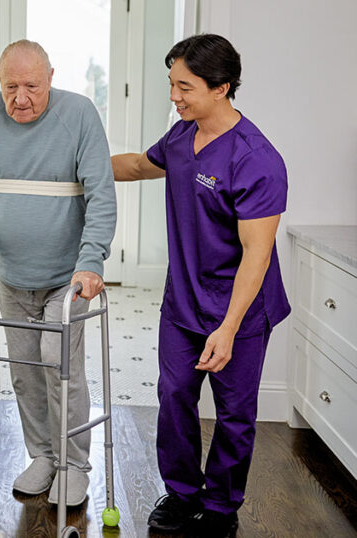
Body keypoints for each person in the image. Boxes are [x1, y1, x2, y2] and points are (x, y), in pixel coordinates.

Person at [111, 34, 289, 537]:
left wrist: (229, 328)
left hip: (241, 311)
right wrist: (79, 170)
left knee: (234, 414)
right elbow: (142, 166)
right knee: (174, 398)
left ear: (221, 88)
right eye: (172, 83)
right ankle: (183, 494)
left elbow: (257, 254)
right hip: (184, 302)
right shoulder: (181, 137)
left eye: (184, 86)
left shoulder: (256, 159)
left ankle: (221, 508)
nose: (174, 96)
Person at [0, 39, 116, 506]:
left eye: (31, 86)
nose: (20, 98)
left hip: (68, 275)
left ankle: (75, 464)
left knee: (58, 364)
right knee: (24, 371)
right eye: (10, 87)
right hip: (11, 273)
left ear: (50, 78)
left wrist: (92, 260)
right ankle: (43, 456)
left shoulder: (79, 113)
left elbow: (101, 193)